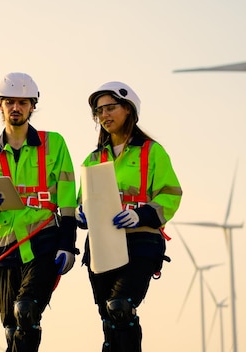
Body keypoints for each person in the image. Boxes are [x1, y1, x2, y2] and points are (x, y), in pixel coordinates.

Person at [0, 72, 78, 352]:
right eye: (10, 101)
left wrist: (68, 245)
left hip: (43, 240)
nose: (16, 107)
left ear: (33, 106)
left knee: (25, 312)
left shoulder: (54, 144)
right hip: (4, 247)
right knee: (11, 329)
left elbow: (68, 199)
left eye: (23, 102)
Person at [76, 81, 182, 352]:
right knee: (108, 318)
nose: (104, 116)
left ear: (129, 110)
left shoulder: (152, 152)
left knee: (120, 306)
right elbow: (81, 200)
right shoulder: (93, 158)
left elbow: (171, 195)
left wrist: (141, 214)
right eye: (99, 111)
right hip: (101, 246)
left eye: (110, 108)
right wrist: (80, 213)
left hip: (141, 242)